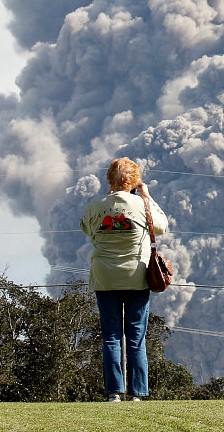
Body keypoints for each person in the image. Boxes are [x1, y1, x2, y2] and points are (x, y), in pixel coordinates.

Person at [81, 157, 168, 402]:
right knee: (136, 338)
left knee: (110, 337)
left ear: (109, 179)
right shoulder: (142, 205)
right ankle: (138, 393)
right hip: (136, 277)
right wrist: (146, 196)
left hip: (105, 278)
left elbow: (86, 229)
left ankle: (113, 393)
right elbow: (162, 226)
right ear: (135, 181)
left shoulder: (96, 205)